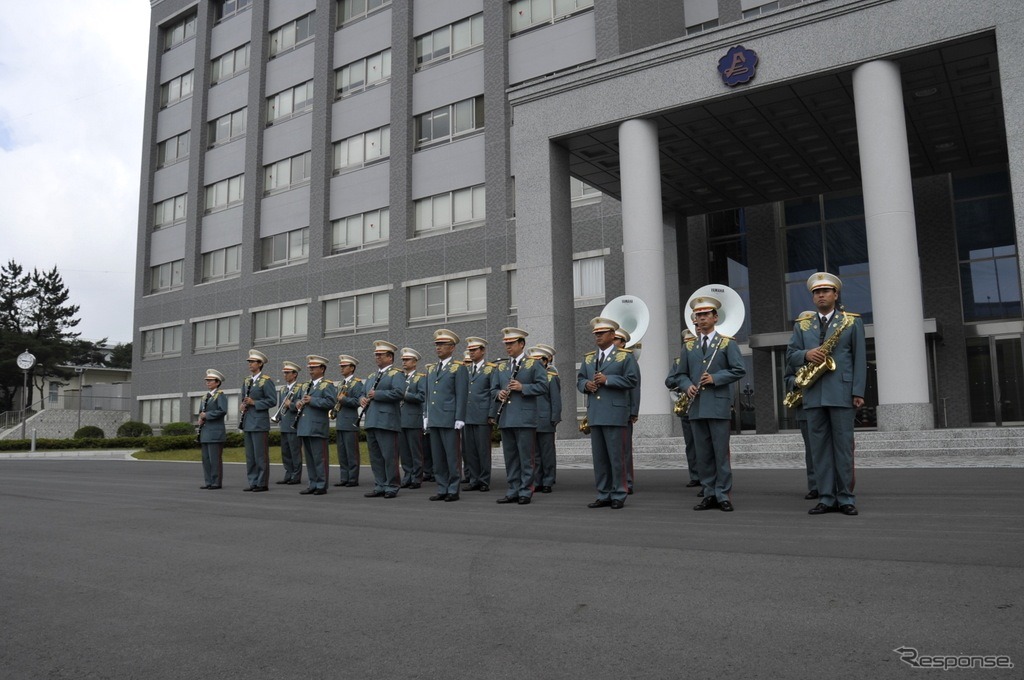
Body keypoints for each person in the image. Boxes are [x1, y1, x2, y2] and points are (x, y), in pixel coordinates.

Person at [786, 272, 866, 516]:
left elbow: (859, 359)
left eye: (826, 291)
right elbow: (790, 355)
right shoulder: (802, 325)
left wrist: (858, 391)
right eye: (816, 292)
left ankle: (846, 498)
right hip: (812, 394)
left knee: (842, 448)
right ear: (812, 297)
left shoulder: (851, 322)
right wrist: (806, 355)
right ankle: (826, 497)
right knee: (819, 449)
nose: (821, 295)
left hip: (841, 392)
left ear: (835, 294)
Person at [675, 296, 745, 512]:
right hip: (696, 406)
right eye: (699, 315)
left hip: (717, 406)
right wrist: (687, 386)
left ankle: (723, 494)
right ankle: (708, 493)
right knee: (703, 454)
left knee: (720, 453)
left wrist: (716, 378)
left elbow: (739, 369)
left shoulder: (727, 343)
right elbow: (680, 374)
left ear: (715, 317)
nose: (702, 318)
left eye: (706, 315)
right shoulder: (689, 346)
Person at [577, 317, 640, 510]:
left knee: (616, 456)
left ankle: (619, 493)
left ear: (612, 335)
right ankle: (603, 493)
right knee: (600, 458)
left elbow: (632, 381)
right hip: (596, 413)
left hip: (615, 413)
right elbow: (579, 380)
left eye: (602, 333)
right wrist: (586, 385)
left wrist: (608, 379)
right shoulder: (589, 358)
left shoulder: (625, 356)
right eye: (596, 333)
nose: (597, 336)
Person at [490, 327, 548, 505]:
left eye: (511, 343)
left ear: (521, 344)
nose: (508, 347)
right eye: (506, 344)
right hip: (507, 417)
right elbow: (492, 389)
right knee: (511, 457)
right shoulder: (501, 366)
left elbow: (543, 386)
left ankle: (526, 490)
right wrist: (499, 393)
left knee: (525, 457)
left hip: (524, 418)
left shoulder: (533, 364)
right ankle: (513, 489)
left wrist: (523, 388)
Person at [424, 329, 469, 502]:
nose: (438, 348)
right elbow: (428, 395)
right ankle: (442, 487)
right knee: (438, 457)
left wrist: (460, 417)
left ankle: (453, 488)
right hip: (435, 418)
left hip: (450, 419)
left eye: (442, 345)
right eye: (437, 344)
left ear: (452, 348)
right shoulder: (432, 368)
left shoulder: (459, 368)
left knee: (452, 456)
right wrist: (426, 415)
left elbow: (461, 394)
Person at [361, 340, 405, 499]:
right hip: (372, 420)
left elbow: (399, 393)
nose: (377, 357)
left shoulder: (396, 374)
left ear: (390, 358)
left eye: (380, 355)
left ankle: (392, 486)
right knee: (376, 457)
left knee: (389, 456)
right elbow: (362, 393)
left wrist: (377, 395)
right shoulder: (372, 376)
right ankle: (380, 485)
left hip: (387, 422)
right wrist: (362, 399)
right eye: (376, 355)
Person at [785, 311, 819, 500]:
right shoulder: (796, 355)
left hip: (822, 401)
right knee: (811, 450)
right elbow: (787, 378)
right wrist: (796, 382)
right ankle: (814, 485)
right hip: (804, 406)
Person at [665, 328, 702, 493]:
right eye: (685, 342)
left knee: (703, 443)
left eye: (690, 341)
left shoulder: (702, 357)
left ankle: (707, 476)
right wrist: (683, 384)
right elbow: (669, 380)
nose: (687, 345)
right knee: (691, 443)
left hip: (701, 403)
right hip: (686, 405)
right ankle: (695, 475)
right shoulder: (678, 361)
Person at [296, 355, 337, 495]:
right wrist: (298, 403)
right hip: (305, 425)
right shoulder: (305, 385)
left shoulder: (327, 385)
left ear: (322, 369)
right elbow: (301, 401)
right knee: (309, 458)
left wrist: (313, 400)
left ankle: (321, 484)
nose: (311, 370)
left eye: (314, 368)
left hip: (318, 426)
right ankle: (312, 483)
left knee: (320, 458)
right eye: (310, 368)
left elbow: (331, 403)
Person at [240, 349, 277, 492]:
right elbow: (244, 398)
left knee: (260, 455)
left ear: (260, 363)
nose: (250, 364)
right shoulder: (247, 381)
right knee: (250, 456)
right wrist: (243, 405)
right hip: (248, 421)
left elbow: (272, 400)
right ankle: (253, 482)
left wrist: (255, 402)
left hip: (259, 422)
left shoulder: (266, 381)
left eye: (252, 362)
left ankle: (262, 483)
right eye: (249, 362)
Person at [462, 336, 495, 492]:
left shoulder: (490, 369)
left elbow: (492, 394)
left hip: (482, 416)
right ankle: (473, 479)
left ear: (483, 351)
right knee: (470, 451)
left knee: (483, 450)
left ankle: (484, 480)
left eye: (474, 350)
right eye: (470, 350)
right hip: (467, 416)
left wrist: (491, 414)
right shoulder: (466, 369)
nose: (471, 353)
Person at [528, 344, 560, 494]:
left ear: (546, 361)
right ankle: (538, 480)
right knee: (535, 454)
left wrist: (555, 417)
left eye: (538, 360)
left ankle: (548, 480)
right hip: (530, 419)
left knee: (547, 453)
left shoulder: (551, 377)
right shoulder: (528, 377)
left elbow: (555, 399)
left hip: (545, 419)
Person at [612, 328, 640, 494]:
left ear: (623, 342)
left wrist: (634, 410)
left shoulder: (628, 359)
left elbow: (634, 387)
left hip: (624, 410)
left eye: (616, 339)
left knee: (624, 449)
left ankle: (627, 480)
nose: (613, 342)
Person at [332, 355, 364, 488]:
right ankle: (344, 477)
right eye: (341, 366)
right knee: (342, 452)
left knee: (351, 452)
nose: (341, 368)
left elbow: (358, 401)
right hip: (340, 421)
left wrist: (344, 400)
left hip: (350, 422)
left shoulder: (357, 383)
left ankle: (353, 478)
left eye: (344, 366)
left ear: (352, 368)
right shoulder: (340, 384)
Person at [398, 347, 427, 489]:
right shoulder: (400, 378)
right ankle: (407, 475)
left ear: (415, 362)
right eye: (403, 360)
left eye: (407, 360)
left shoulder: (420, 378)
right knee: (404, 452)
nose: (404, 362)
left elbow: (422, 396)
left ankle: (416, 477)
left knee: (415, 451)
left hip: (413, 419)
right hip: (400, 419)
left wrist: (405, 395)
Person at [197, 368, 227, 490]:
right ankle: (208, 481)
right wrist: (200, 417)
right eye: (207, 380)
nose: (208, 382)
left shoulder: (220, 395)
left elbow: (222, 410)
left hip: (215, 432)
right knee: (206, 459)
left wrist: (207, 415)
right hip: (205, 431)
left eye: (210, 380)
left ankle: (216, 482)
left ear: (217, 382)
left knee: (215, 459)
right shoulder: (204, 397)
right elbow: (201, 412)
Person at [275, 361, 303, 485]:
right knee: (285, 452)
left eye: (287, 373)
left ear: (295, 374)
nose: (285, 375)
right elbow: (281, 406)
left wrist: (290, 405)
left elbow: (300, 405)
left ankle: (296, 476)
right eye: (284, 373)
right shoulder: (283, 389)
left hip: (293, 425)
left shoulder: (300, 388)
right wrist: (279, 417)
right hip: (284, 424)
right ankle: (288, 474)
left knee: (295, 452)